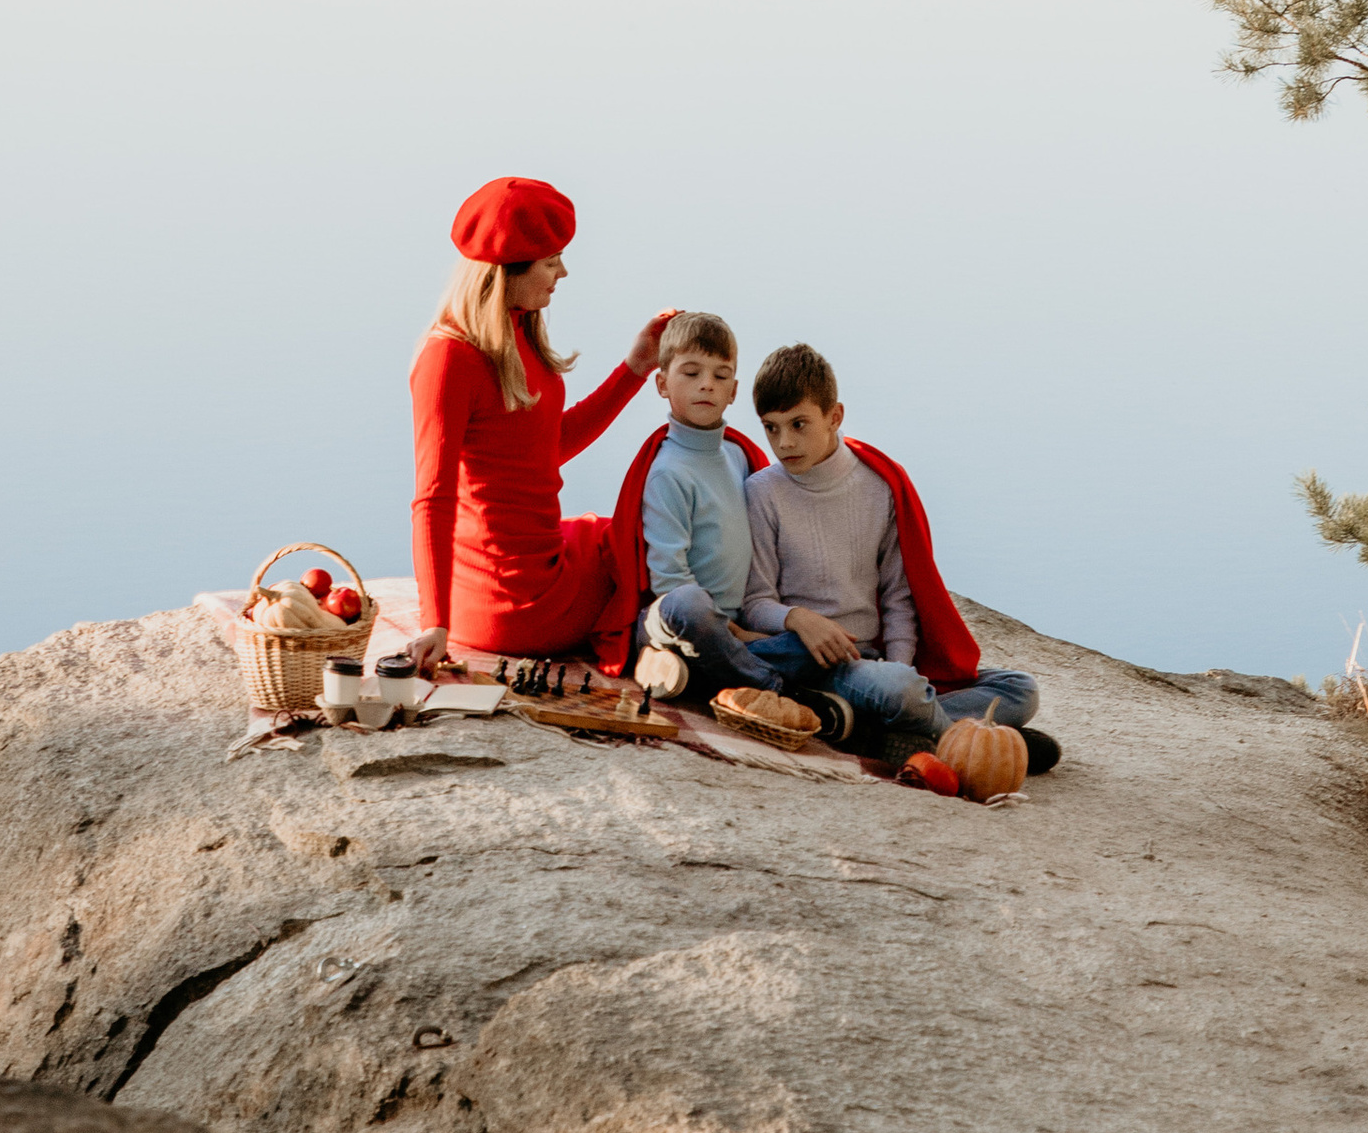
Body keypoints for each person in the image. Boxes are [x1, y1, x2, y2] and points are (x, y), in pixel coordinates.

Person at [742, 340, 1061, 770]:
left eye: (798, 424)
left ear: (834, 416)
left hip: (877, 663)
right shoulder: (763, 493)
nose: (784, 443)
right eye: (771, 427)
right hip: (821, 663)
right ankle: (957, 740)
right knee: (901, 693)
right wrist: (798, 618)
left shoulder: (877, 486)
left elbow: (898, 596)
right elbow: (754, 603)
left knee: (1021, 689)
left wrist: (899, 669)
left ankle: (887, 729)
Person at [408, 178, 673, 680]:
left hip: (522, 573)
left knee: (609, 533)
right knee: (645, 540)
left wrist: (634, 368)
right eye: (552, 261)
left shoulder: (516, 329)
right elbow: (433, 499)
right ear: (508, 270)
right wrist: (433, 623)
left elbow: (544, 447)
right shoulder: (449, 358)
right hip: (516, 603)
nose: (563, 272)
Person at [601, 310, 773, 702]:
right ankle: (771, 683)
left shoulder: (739, 457)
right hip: (675, 617)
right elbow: (668, 581)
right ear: (662, 383)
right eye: (691, 373)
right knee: (689, 604)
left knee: (813, 640)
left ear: (733, 390)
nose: (707, 386)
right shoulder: (668, 472)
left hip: (733, 621)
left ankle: (693, 669)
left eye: (720, 375)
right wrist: (736, 635)